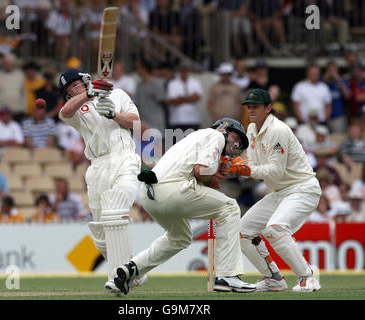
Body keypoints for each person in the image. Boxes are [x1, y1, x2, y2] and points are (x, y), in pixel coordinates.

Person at [113, 118, 256, 295]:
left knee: (180, 237)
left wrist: (214, 174)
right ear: (224, 130)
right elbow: (201, 171)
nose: (237, 144)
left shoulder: (196, 139)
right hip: (172, 190)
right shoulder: (216, 136)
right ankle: (228, 276)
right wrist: (213, 178)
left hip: (150, 194)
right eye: (236, 137)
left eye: (240, 142)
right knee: (230, 208)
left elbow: (197, 172)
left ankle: (131, 270)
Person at [58, 68, 143, 293]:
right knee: (100, 233)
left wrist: (113, 114)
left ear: (85, 79)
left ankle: (117, 278)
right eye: (69, 90)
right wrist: (87, 95)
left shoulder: (118, 94)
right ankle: (132, 268)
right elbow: (64, 112)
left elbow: (135, 122)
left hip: (124, 157)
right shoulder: (76, 108)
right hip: (97, 166)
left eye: (75, 85)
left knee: (115, 212)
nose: (73, 90)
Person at [238, 88, 322, 292]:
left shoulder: (278, 130)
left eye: (255, 106)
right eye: (249, 107)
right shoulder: (251, 129)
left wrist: (243, 168)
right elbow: (252, 164)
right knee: (242, 231)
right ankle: (273, 278)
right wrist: (233, 165)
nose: (251, 110)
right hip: (279, 193)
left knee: (275, 228)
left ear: (268, 108)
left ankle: (308, 277)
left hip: (302, 189)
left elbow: (274, 171)